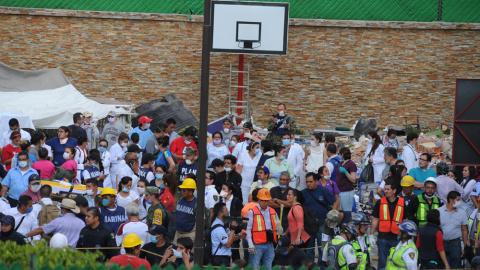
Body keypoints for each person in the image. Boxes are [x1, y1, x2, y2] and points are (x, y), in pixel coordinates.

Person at [370, 179, 407, 270]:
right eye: (385, 189)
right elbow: (375, 219)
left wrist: (405, 237)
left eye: (387, 189)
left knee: (396, 262)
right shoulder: (380, 202)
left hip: (397, 237)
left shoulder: (402, 202)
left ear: (394, 191)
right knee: (382, 262)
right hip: (383, 237)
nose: (385, 191)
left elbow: (405, 220)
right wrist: (371, 234)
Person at [302, 172, 337, 261]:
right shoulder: (303, 193)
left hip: (322, 224)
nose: (308, 184)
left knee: (323, 247)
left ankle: (323, 266)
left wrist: (332, 216)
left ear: (316, 181)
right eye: (307, 182)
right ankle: (310, 266)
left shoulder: (323, 190)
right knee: (309, 248)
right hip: (309, 225)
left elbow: (335, 202)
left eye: (310, 181)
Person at [246, 188, 280, 270]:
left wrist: (280, 229)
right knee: (255, 267)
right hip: (257, 244)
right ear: (258, 200)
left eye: (266, 200)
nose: (264, 203)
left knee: (268, 267)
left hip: (269, 244)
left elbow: (278, 225)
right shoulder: (252, 212)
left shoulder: (273, 211)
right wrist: (250, 244)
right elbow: (248, 229)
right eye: (262, 200)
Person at [438, 190, 468, 269]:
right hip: (442, 242)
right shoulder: (439, 211)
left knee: (456, 264)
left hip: (455, 243)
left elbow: (464, 231)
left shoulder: (462, 213)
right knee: (440, 264)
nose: (460, 201)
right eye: (458, 200)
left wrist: (465, 247)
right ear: (451, 200)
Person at [210, 202, 245, 267]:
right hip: (220, 258)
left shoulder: (222, 224)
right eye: (226, 210)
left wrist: (238, 237)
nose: (228, 212)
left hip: (223, 257)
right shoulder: (218, 228)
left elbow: (228, 238)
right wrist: (232, 229)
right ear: (220, 213)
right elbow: (228, 244)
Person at [336, 147, 357, 211]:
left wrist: (346, 172)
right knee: (341, 211)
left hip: (347, 191)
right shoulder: (341, 163)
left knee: (346, 211)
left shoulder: (351, 164)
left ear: (342, 154)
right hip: (340, 191)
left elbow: (353, 179)